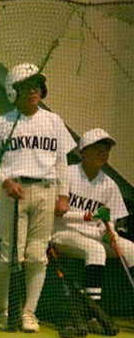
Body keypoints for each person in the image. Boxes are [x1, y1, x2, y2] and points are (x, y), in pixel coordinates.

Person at [0, 63, 75, 332]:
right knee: (10, 256)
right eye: (25, 86)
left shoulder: (53, 121)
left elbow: (61, 162)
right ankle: (4, 310)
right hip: (14, 193)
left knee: (36, 256)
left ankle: (28, 312)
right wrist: (5, 182)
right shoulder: (2, 125)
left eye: (36, 85)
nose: (32, 91)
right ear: (13, 91)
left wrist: (63, 195)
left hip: (45, 192)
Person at [51, 127, 134, 322]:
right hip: (62, 232)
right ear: (83, 151)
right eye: (97, 148)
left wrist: (110, 232)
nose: (102, 153)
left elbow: (109, 221)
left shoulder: (109, 184)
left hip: (93, 234)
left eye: (106, 149)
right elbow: (56, 213)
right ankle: (92, 313)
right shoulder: (67, 175)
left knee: (130, 248)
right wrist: (88, 217)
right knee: (96, 250)